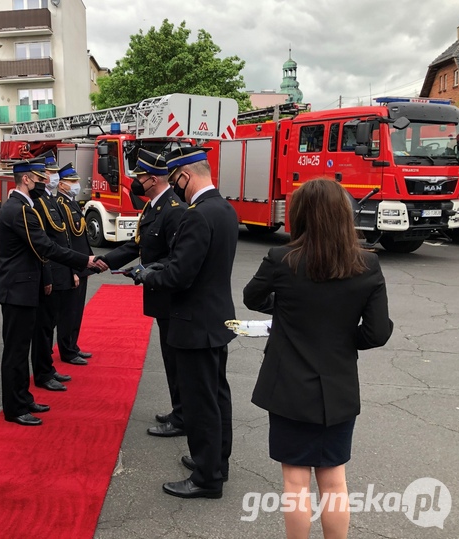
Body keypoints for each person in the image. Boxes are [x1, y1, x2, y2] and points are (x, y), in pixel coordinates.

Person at [243, 177, 393, 539]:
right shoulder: (367, 264)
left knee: (295, 484)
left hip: (288, 387)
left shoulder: (282, 258)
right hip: (337, 388)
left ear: (301, 214)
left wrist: (286, 310)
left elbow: (252, 297)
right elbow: (377, 332)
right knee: (334, 482)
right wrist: (344, 339)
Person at [134, 146, 238, 499]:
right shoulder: (223, 209)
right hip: (215, 319)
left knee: (200, 403)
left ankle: (207, 478)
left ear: (185, 176)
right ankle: (215, 462)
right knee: (216, 397)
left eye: (176, 179)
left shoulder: (197, 215)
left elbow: (180, 275)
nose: (176, 187)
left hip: (194, 323)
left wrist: (147, 275)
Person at [0, 159, 100, 426]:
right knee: (16, 353)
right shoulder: (19, 210)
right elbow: (45, 247)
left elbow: (39, 250)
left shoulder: (22, 207)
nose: (44, 182)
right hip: (18, 291)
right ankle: (15, 408)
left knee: (22, 348)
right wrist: (82, 260)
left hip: (25, 288)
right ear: (26, 179)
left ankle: (23, 398)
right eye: (40, 178)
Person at [97, 149, 188, 438]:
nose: (137, 182)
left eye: (139, 177)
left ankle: (183, 417)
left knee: (177, 359)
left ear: (152, 179)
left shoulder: (174, 210)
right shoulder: (154, 207)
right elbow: (138, 245)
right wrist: (103, 262)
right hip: (159, 296)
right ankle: (179, 410)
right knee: (170, 357)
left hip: (170, 296)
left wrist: (148, 271)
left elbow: (177, 259)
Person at [29, 155, 73, 392]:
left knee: (51, 323)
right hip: (49, 273)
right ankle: (43, 373)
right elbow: (42, 244)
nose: (53, 177)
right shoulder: (38, 202)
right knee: (43, 327)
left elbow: (62, 237)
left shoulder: (51, 199)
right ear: (42, 175)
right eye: (49, 172)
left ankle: (48, 367)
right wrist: (46, 276)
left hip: (60, 270)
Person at [55, 163, 94, 366]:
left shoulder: (72, 202)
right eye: (72, 182)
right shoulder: (60, 204)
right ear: (61, 184)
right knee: (68, 311)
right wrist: (72, 271)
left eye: (76, 181)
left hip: (81, 264)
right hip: (73, 266)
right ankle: (67, 350)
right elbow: (65, 241)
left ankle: (73, 345)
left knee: (77, 310)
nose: (76, 185)